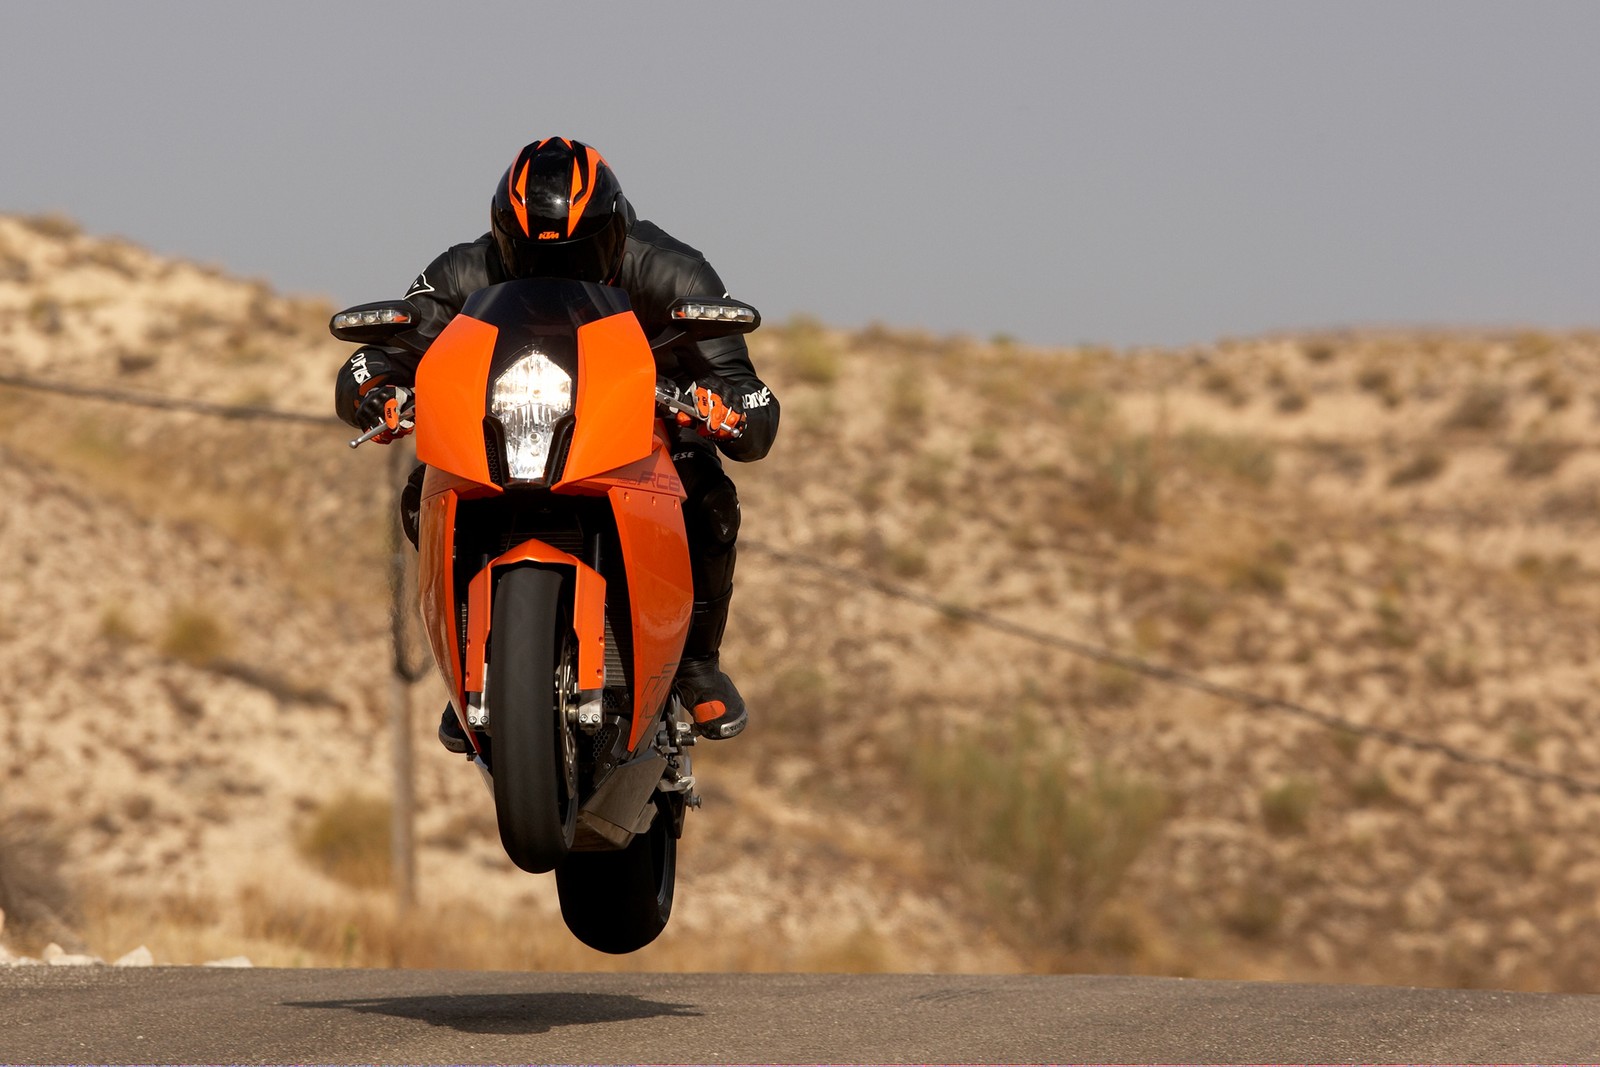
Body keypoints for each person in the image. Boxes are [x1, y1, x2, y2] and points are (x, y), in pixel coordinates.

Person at [333, 137, 778, 745]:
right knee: (423, 495)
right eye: (529, 255)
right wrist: (377, 389)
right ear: (502, 237)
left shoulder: (674, 271)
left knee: (710, 500)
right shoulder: (466, 270)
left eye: (578, 253)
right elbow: (373, 356)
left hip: (641, 431)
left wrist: (722, 406)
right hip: (504, 427)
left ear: (615, 233)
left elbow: (747, 395)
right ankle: (471, 664)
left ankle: (698, 665)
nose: (554, 273)